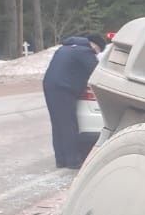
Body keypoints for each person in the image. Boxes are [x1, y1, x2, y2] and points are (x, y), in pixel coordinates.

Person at [42, 34, 107, 169]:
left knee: (58, 123)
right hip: (64, 88)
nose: (96, 53)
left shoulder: (65, 48)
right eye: (98, 51)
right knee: (68, 124)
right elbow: (97, 72)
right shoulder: (85, 51)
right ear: (95, 45)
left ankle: (61, 159)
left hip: (50, 86)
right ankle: (73, 161)